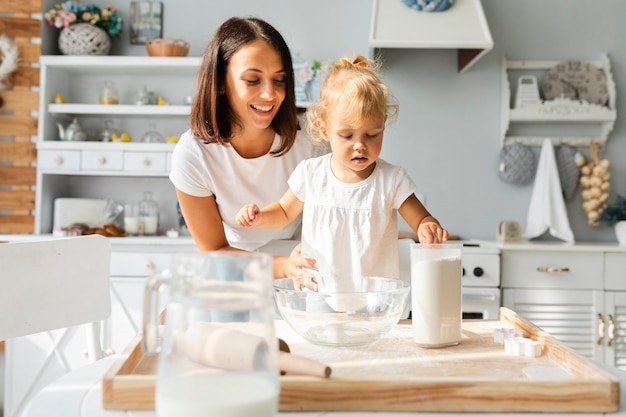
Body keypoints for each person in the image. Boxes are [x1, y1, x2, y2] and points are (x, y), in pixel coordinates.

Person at [236, 55, 448, 291]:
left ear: (383, 124)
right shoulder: (311, 174)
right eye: (347, 136)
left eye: (372, 134)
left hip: (374, 299)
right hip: (319, 292)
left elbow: (421, 218)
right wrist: (260, 216)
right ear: (325, 130)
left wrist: (427, 226)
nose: (360, 145)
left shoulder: (392, 180)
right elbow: (284, 211)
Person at [169, 17, 325, 278]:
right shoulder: (193, 154)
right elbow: (215, 248)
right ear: (220, 82)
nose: (269, 95)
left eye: (279, 80)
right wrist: (283, 266)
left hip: (304, 261)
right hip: (234, 266)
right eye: (253, 80)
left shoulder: (313, 136)